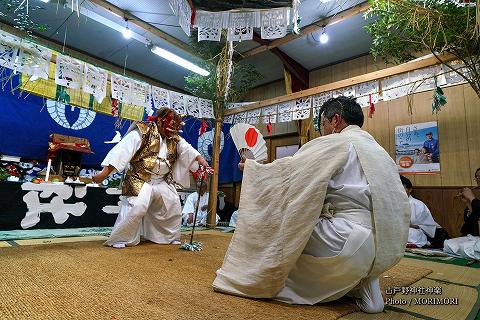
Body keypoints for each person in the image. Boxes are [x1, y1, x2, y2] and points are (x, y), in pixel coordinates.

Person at [213, 96, 410, 314]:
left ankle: (259, 277)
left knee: (278, 231)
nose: (322, 131)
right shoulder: (381, 152)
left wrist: (252, 169)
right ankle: (365, 282)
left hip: (345, 239)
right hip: (385, 246)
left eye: (322, 124)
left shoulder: (336, 142)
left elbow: (289, 176)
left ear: (335, 120)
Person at [92, 107, 211, 248]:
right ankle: (122, 238)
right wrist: (104, 173)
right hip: (140, 179)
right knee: (137, 206)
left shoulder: (174, 137)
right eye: (171, 126)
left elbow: (187, 150)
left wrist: (202, 161)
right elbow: (122, 151)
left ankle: (168, 237)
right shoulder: (142, 131)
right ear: (160, 121)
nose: (173, 131)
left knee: (172, 204)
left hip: (162, 180)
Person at [400, 175, 449, 248]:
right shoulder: (393, 204)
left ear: (410, 189)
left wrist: (410, 225)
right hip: (401, 230)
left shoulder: (418, 205)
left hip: (420, 232)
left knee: (411, 233)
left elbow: (428, 226)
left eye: (403, 188)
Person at [458, 168, 480, 236]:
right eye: (477, 177)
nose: (478, 180)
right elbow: (475, 216)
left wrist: (471, 197)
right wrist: (468, 202)